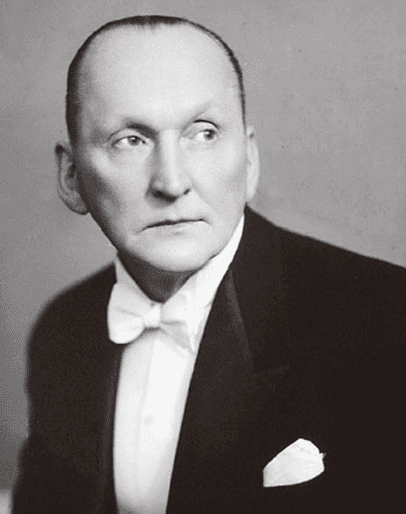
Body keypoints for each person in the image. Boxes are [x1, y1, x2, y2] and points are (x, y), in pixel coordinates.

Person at [13, 15, 406, 514]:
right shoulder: (62, 331)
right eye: (130, 140)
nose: (172, 182)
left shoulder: (384, 317)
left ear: (250, 161)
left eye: (203, 133)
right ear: (72, 177)